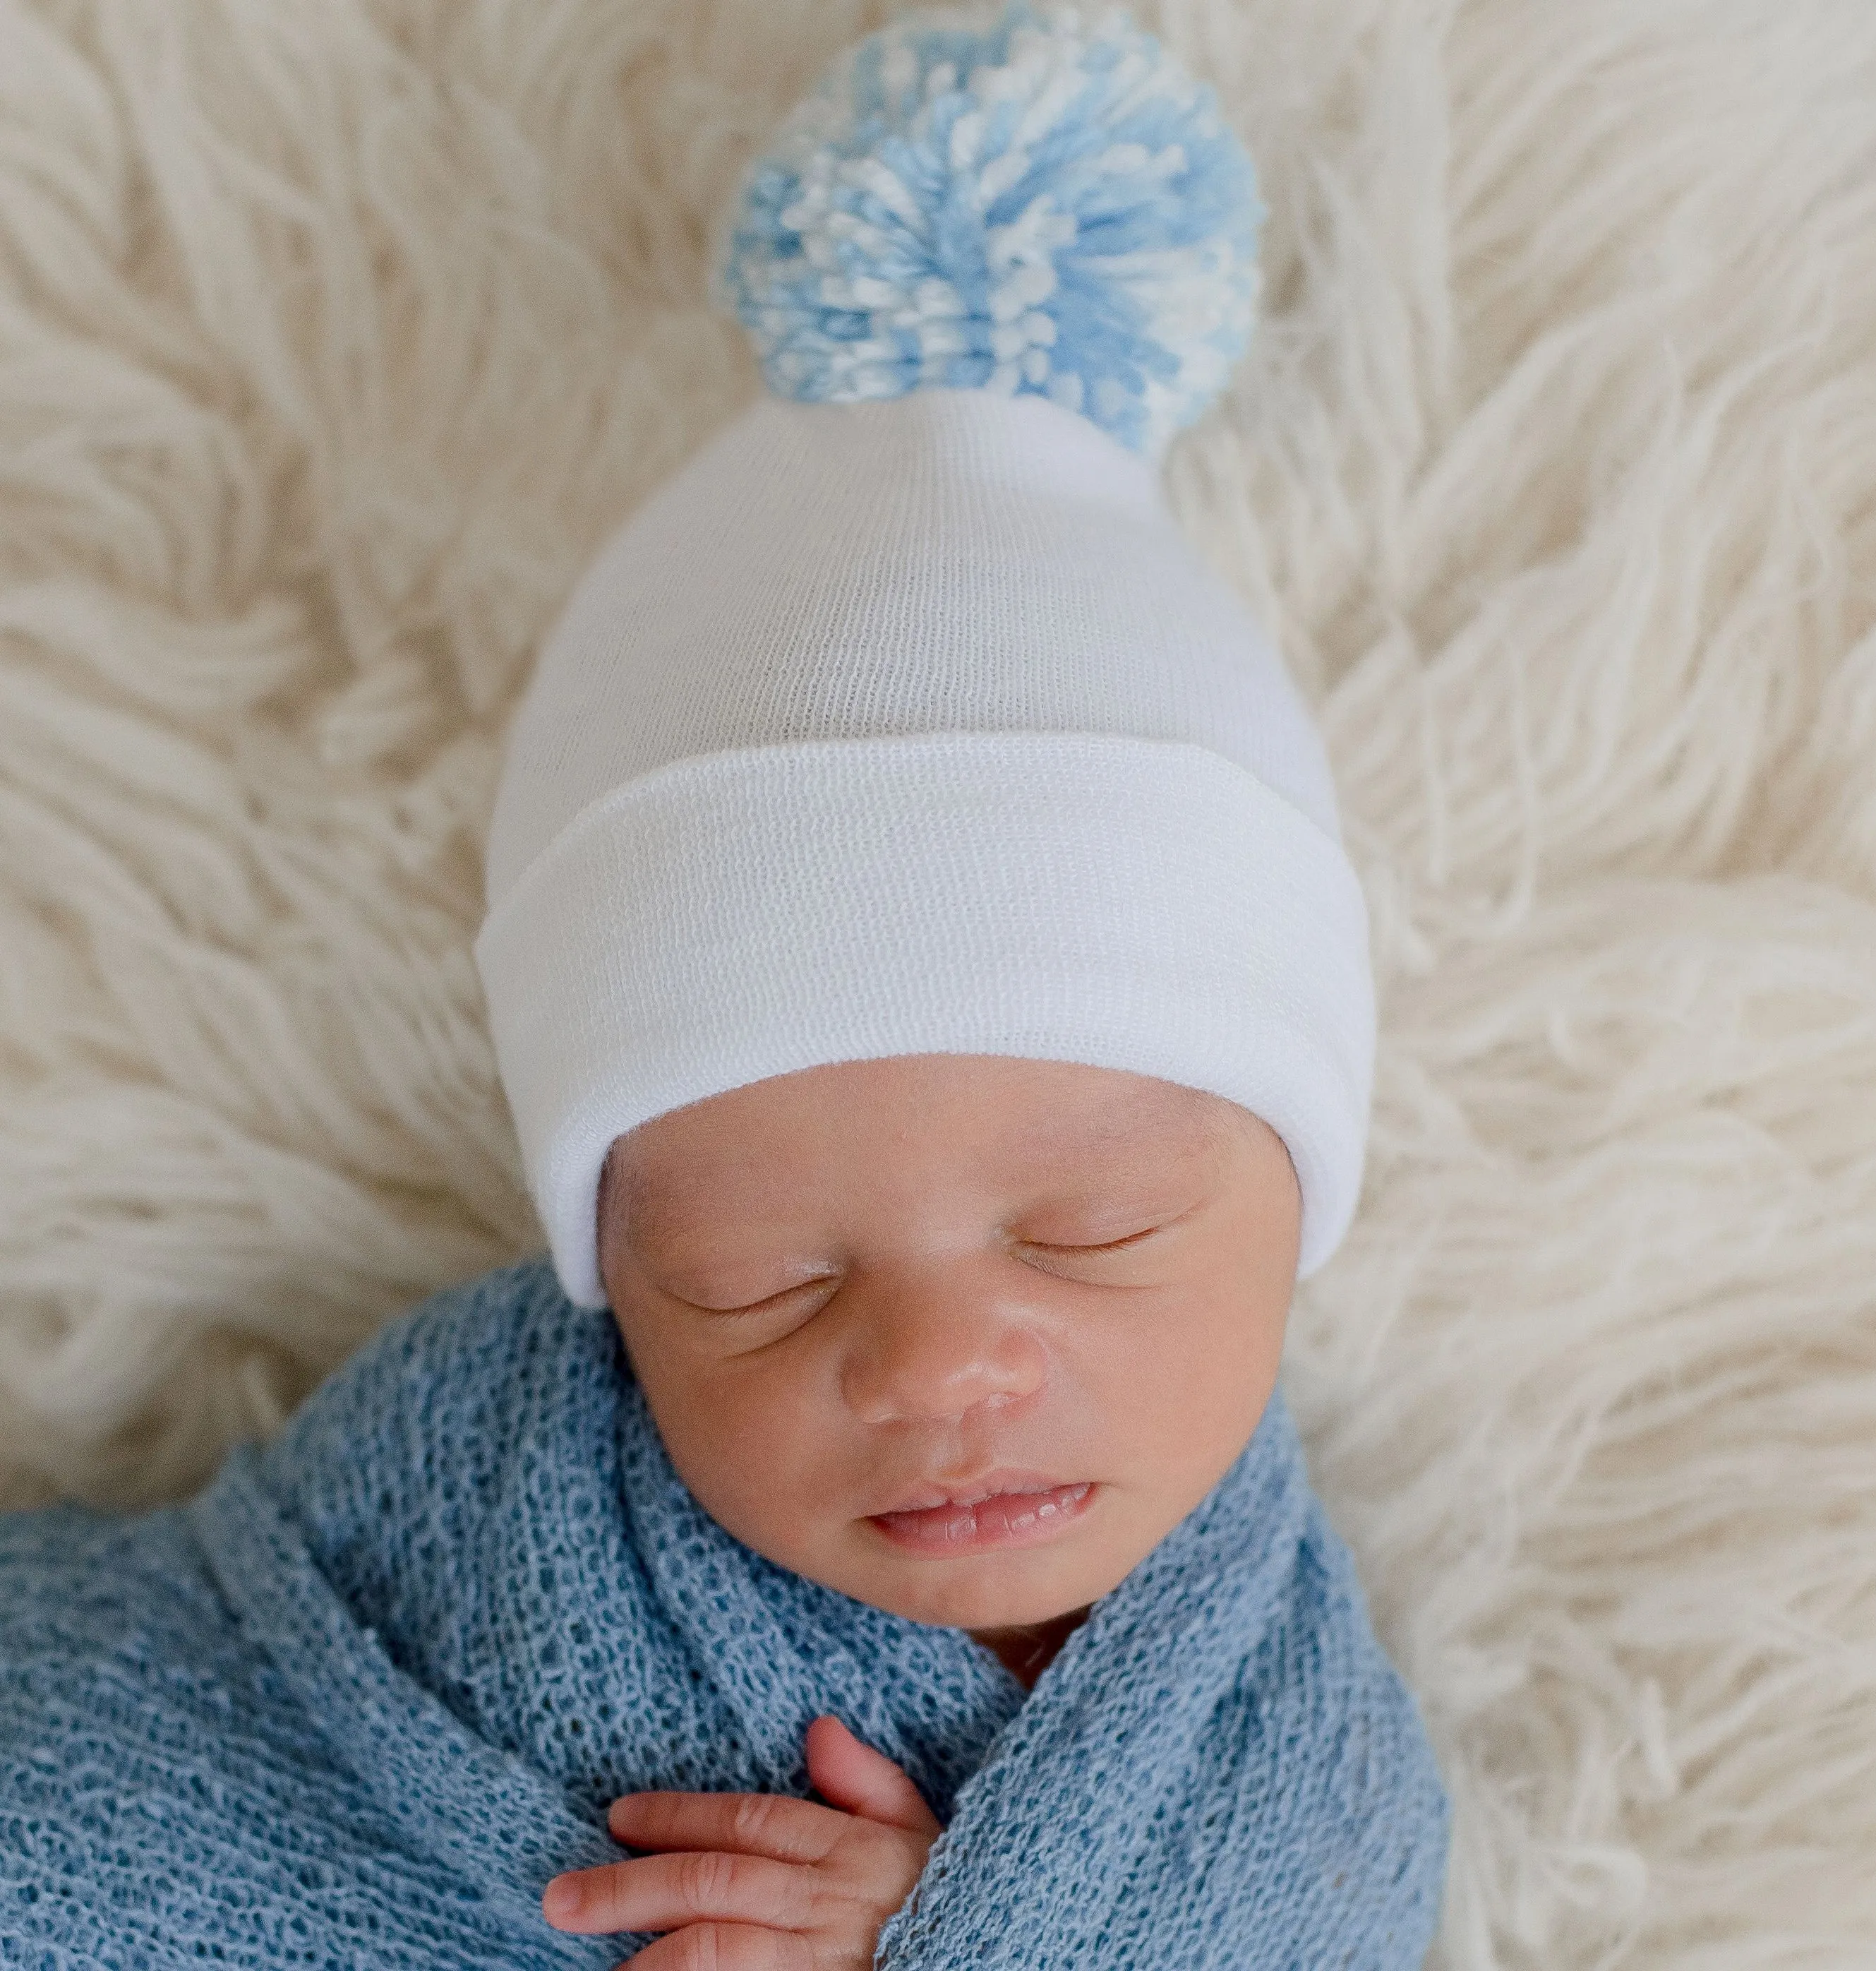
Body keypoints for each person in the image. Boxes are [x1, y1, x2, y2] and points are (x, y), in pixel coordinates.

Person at [1, 5, 1453, 1965]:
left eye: (1093, 1228)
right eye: (762, 1286)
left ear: (1297, 1196)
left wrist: (956, 1936)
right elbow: (168, 1746)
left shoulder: (1291, 1751)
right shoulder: (498, 1483)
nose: (938, 1365)